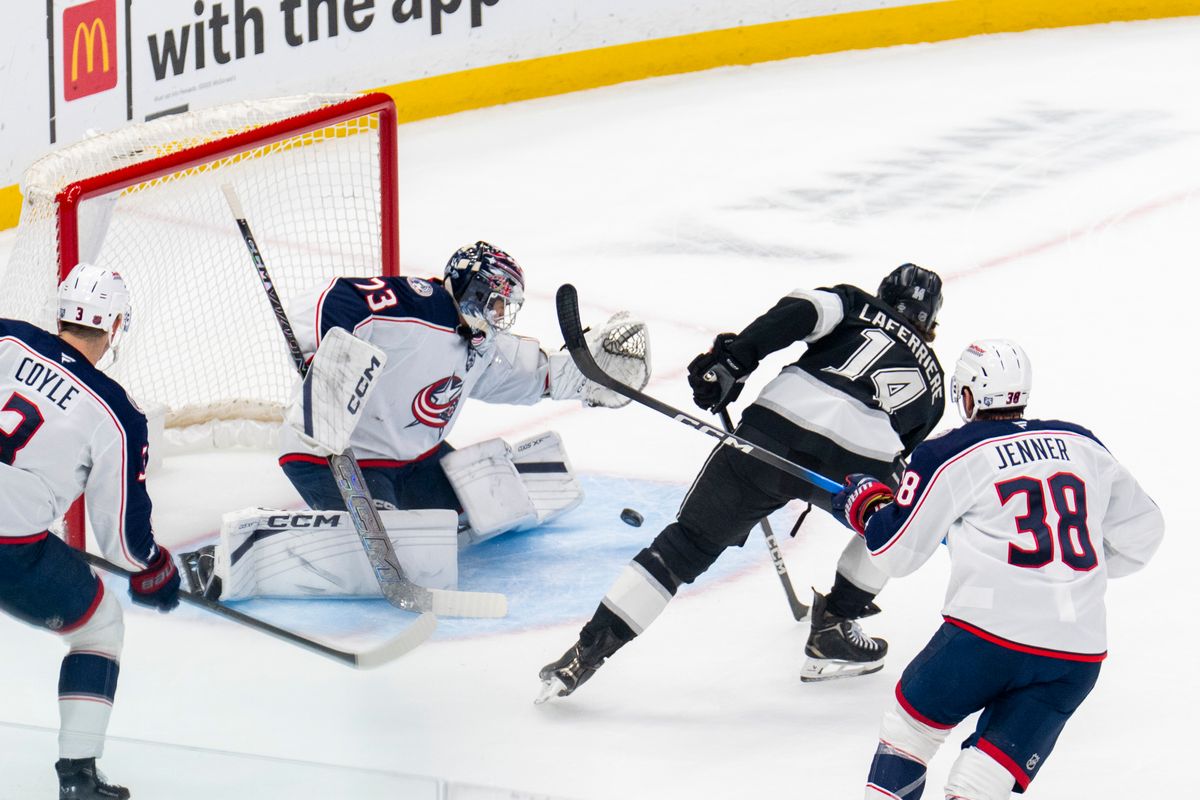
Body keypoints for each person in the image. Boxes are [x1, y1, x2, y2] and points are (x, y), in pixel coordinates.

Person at [537, 263, 946, 701]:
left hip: (772, 433)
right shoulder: (936, 384)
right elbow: (907, 458)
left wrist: (733, 360)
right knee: (899, 517)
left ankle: (585, 652)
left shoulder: (855, 302)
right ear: (930, 324)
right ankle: (834, 627)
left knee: (686, 545)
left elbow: (800, 312)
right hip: (853, 466)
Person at [181, 241, 649, 600]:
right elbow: (336, 299)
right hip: (333, 455)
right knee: (383, 553)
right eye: (499, 302)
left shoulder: (483, 344)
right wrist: (330, 352)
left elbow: (539, 372)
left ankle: (410, 517)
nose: (502, 316)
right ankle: (236, 551)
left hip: (415, 461)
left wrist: (595, 377)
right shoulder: (416, 305)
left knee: (485, 511)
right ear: (475, 288)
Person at [831, 339, 1164, 799]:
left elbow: (895, 553)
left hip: (986, 638)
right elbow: (1144, 534)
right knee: (980, 782)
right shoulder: (1081, 442)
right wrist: (1067, 574)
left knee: (910, 735)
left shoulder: (951, 451)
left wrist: (866, 508)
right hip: (1077, 654)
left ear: (966, 396)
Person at [0, 263, 180, 799]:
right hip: (11, 549)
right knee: (98, 628)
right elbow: (121, 540)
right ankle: (78, 778)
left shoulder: (6, 335)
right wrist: (153, 568)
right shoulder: (116, 412)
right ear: (115, 326)